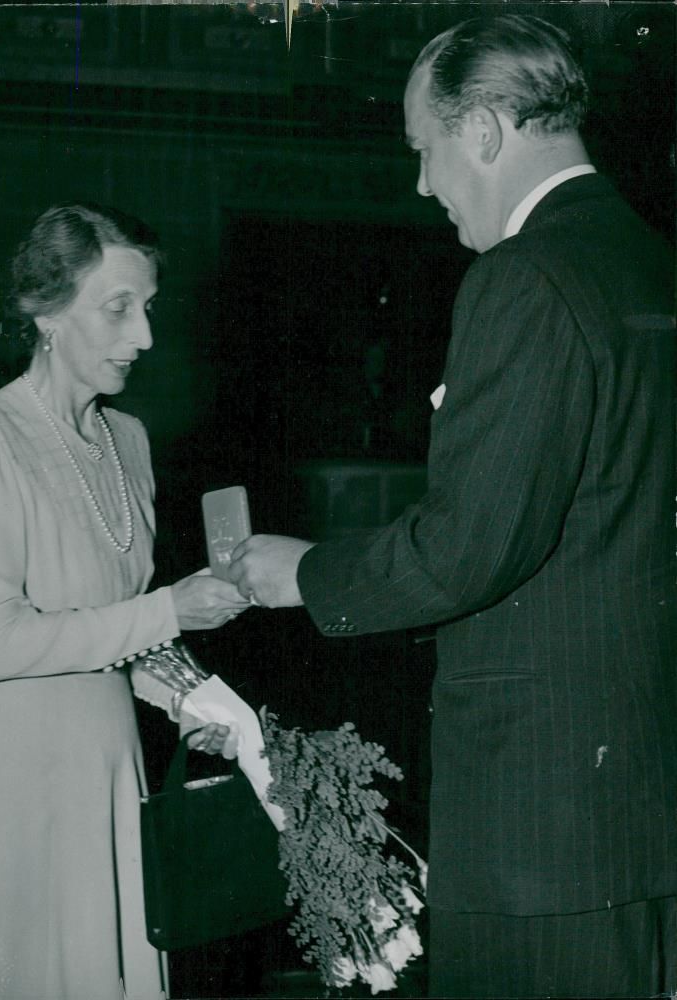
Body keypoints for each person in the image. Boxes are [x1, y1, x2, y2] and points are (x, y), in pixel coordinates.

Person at [229, 14, 677, 998]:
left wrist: (298, 573)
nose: (422, 184)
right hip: (632, 811)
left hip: (538, 826)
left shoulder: (521, 279)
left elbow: (467, 548)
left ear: (480, 129)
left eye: (423, 149)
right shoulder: (645, 261)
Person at [0, 203, 250, 1000]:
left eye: (148, 309)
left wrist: (196, 700)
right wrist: (170, 608)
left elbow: (117, 634)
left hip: (104, 768)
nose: (144, 338)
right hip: (9, 773)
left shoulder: (127, 440)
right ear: (46, 311)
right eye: (118, 308)